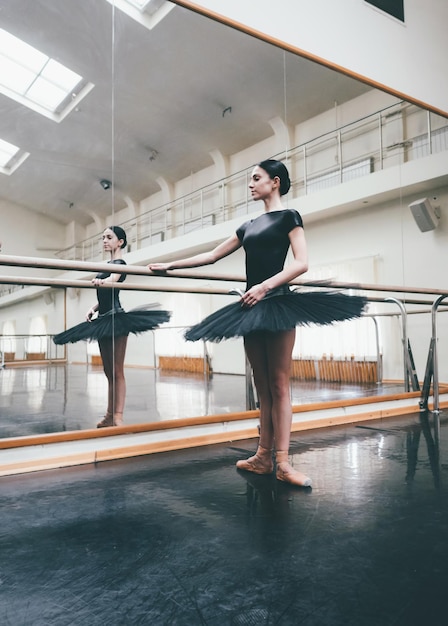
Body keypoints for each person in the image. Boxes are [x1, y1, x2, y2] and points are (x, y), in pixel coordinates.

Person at [149, 160, 367, 487]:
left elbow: (302, 263)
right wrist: (170, 265)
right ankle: (263, 456)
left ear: (274, 182)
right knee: (261, 387)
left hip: (276, 303)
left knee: (279, 384)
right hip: (251, 308)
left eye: (255, 178)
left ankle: (283, 462)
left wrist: (265, 286)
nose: (250, 185)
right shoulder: (247, 226)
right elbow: (210, 256)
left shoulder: (289, 217)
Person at [54, 226, 170, 428]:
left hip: (117, 319)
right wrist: (93, 307)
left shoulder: (120, 263)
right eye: (103, 238)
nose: (104, 241)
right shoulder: (108, 264)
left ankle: (118, 416)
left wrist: (102, 280)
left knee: (117, 371)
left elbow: (113, 280)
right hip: (103, 318)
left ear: (120, 242)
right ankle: (109, 415)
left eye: (109, 237)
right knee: (108, 371)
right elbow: (107, 292)